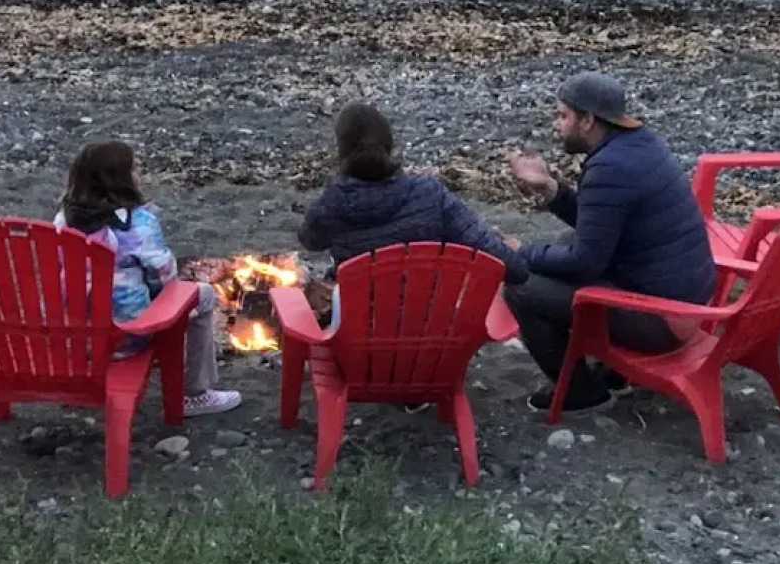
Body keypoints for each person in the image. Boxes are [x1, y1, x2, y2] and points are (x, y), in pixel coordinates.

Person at [505, 71, 715, 413]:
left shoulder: (609, 168)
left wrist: (520, 253)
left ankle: (581, 392)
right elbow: (601, 223)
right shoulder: (640, 144)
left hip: (666, 320)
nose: (556, 126)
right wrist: (549, 187)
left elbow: (586, 262)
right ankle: (615, 374)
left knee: (521, 287)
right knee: (564, 242)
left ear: (588, 120)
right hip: (686, 298)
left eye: (563, 116)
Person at [299, 102, 529, 329]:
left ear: (341, 152)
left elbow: (309, 241)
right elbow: (508, 265)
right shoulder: (430, 193)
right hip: (431, 337)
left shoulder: (330, 204)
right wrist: (517, 261)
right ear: (389, 145)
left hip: (357, 338)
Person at [55, 140, 241, 417]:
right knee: (203, 294)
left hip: (78, 339)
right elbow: (165, 278)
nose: (137, 174)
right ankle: (195, 393)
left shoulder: (63, 221)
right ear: (120, 179)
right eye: (133, 169)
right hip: (127, 337)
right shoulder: (138, 223)